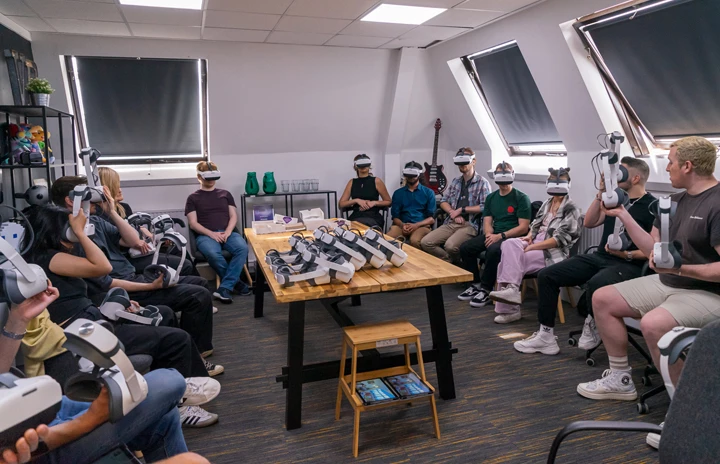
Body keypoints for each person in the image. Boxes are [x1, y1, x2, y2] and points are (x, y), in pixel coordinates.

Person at [23, 205, 221, 427]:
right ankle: (179, 405)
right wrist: (80, 234)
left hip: (92, 321)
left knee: (165, 319)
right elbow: (103, 267)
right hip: (84, 334)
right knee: (176, 339)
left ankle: (176, 392)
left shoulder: (51, 257)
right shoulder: (48, 258)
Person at [576, 136, 720, 405]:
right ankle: (620, 379)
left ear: (687, 166)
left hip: (708, 293)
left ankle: (685, 414)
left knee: (653, 324)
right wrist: (622, 215)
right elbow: (653, 247)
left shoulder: (717, 204)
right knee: (603, 298)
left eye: (671, 162)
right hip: (669, 282)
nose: (667, 168)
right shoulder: (673, 201)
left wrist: (681, 270)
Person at [0, 285, 200, 464]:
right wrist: (88, 420)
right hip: (34, 440)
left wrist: (20, 318)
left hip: (32, 416)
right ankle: (187, 389)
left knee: (163, 414)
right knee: (169, 383)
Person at [50, 176, 216, 360]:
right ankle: (195, 356)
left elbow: (133, 241)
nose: (93, 196)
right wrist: (151, 286)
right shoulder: (71, 238)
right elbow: (106, 280)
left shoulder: (95, 222)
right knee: (197, 296)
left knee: (199, 283)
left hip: (132, 276)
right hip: (121, 287)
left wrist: (112, 211)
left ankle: (195, 352)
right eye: (87, 192)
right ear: (71, 200)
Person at [517, 157, 656, 355]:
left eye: (620, 172)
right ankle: (545, 336)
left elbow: (653, 250)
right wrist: (601, 191)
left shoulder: (652, 206)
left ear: (634, 178)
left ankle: (593, 323)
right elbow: (590, 223)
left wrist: (625, 254)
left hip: (630, 264)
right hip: (601, 257)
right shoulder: (613, 199)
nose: (614, 176)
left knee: (597, 283)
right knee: (547, 275)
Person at [489, 168, 581, 325]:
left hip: (552, 251)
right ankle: (511, 291)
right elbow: (535, 225)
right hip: (535, 241)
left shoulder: (571, 208)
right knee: (509, 244)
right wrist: (529, 237)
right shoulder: (547, 203)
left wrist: (533, 247)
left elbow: (560, 239)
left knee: (506, 262)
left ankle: (510, 309)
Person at [98, 166, 198, 277]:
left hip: (141, 251)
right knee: (185, 265)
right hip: (128, 257)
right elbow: (120, 241)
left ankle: (198, 285)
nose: (120, 189)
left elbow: (136, 229)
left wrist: (153, 237)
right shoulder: (101, 216)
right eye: (116, 186)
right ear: (105, 190)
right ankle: (185, 288)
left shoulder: (124, 208)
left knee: (177, 248)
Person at [457, 161, 532, 307]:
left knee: (493, 250)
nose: (503, 184)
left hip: (512, 238)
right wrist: (489, 235)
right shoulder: (491, 198)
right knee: (465, 248)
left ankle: (486, 289)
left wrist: (500, 236)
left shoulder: (521, 198)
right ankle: (475, 284)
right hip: (495, 234)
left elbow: (523, 227)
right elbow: (487, 221)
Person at [186, 161, 250, 304]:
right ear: (199, 177)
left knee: (242, 248)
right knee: (214, 254)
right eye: (208, 178)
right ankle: (237, 284)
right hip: (206, 236)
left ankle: (225, 288)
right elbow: (193, 223)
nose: (211, 181)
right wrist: (212, 234)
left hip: (228, 233)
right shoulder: (193, 198)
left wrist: (227, 232)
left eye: (214, 177)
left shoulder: (225, 194)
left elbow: (233, 216)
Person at [420, 148, 492, 264]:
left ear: (473, 161)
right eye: (460, 163)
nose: (462, 166)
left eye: (465, 162)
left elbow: (486, 207)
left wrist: (462, 209)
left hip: (470, 224)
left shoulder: (483, 183)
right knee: (426, 242)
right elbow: (444, 201)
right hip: (451, 221)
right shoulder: (456, 181)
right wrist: (452, 212)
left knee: (450, 245)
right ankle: (452, 262)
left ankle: (455, 267)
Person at [387, 161, 437, 248]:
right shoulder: (398, 193)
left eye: (413, 175)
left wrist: (416, 225)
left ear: (419, 175)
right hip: (402, 225)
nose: (411, 177)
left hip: (421, 226)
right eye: (408, 175)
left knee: (415, 241)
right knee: (388, 239)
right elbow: (395, 217)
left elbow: (431, 219)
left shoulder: (429, 193)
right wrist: (403, 225)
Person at [338, 154, 392, 229]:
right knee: (354, 225)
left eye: (365, 165)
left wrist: (374, 203)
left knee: (364, 225)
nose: (363, 167)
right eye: (361, 165)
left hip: (373, 216)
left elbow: (388, 201)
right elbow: (341, 204)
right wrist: (356, 200)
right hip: (356, 215)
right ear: (356, 166)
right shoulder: (352, 182)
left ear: (369, 165)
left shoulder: (376, 181)